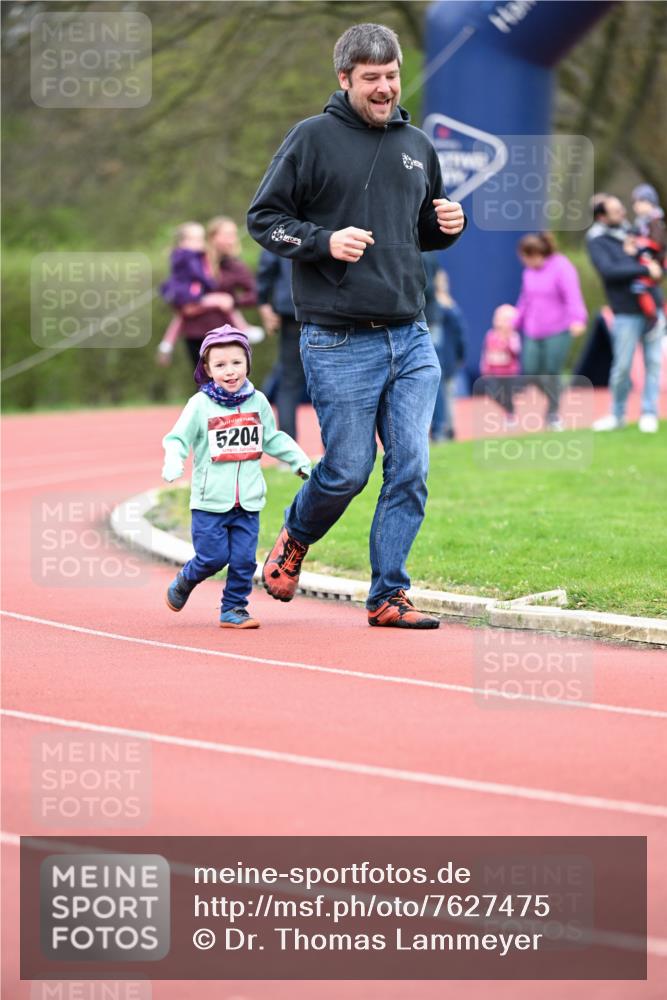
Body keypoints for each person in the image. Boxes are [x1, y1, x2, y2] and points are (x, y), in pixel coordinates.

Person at [247, 22, 465, 629]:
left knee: (412, 466)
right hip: (338, 337)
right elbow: (264, 219)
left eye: (392, 76)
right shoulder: (311, 139)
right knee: (347, 470)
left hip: (411, 334)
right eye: (372, 79)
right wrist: (323, 241)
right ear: (345, 79)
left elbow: (418, 228)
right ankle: (294, 536)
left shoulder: (418, 145)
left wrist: (448, 224)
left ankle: (388, 595)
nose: (385, 89)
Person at [161, 326, 311, 629]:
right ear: (207, 369)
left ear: (247, 364)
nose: (229, 372)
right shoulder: (200, 405)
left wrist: (299, 460)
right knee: (212, 558)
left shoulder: (257, 402)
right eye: (220, 365)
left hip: (248, 502)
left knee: (244, 561)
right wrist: (174, 461)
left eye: (236, 363)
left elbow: (272, 438)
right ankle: (185, 581)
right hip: (209, 503)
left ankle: (234, 609)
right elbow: (177, 439)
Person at [587, 196, 663, 433]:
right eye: (616, 210)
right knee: (622, 366)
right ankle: (617, 414)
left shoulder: (634, 232)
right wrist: (643, 268)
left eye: (621, 208)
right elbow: (610, 271)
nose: (622, 212)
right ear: (602, 216)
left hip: (652, 306)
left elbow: (657, 258)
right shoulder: (598, 240)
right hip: (625, 311)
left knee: (654, 362)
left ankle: (649, 412)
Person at [157, 217, 259, 367]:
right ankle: (166, 344)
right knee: (204, 383)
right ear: (212, 237)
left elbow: (254, 294)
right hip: (196, 334)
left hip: (226, 335)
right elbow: (181, 298)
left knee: (229, 381)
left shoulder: (235, 266)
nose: (232, 240)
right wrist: (198, 303)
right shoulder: (195, 261)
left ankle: (245, 329)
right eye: (227, 235)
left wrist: (233, 301)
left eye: (234, 235)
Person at [514, 232, 587, 430]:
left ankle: (553, 413)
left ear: (536, 253)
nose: (524, 262)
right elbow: (525, 299)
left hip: (558, 328)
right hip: (533, 329)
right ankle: (557, 395)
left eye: (526, 257)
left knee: (552, 371)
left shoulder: (561, 267)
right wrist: (515, 321)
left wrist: (578, 318)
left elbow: (573, 295)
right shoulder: (529, 272)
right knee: (531, 371)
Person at [256, 249, 306, 441]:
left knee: (289, 382)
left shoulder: (285, 224)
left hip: (290, 307)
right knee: (328, 380)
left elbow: (266, 268)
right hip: (323, 310)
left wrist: (263, 302)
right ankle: (332, 454)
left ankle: (288, 452)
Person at [431, 269, 466, 441]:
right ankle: (444, 428)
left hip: (448, 358)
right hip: (442, 357)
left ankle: (447, 428)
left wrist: (460, 354)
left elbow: (460, 334)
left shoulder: (449, 306)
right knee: (443, 394)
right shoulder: (444, 307)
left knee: (447, 394)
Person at [628, 183, 666, 333]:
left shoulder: (655, 221)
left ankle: (654, 316)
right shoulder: (643, 222)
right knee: (642, 287)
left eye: (639, 202)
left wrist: (639, 247)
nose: (636, 206)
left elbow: (657, 243)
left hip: (654, 260)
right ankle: (653, 315)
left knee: (643, 286)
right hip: (648, 260)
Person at [478, 304, 521, 423]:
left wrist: (507, 340)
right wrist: (484, 367)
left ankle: (510, 414)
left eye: (504, 320)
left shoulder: (513, 336)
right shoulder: (490, 335)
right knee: (493, 392)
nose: (500, 323)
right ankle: (508, 409)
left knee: (508, 394)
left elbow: (516, 351)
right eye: (498, 319)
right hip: (494, 372)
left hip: (509, 373)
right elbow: (486, 353)